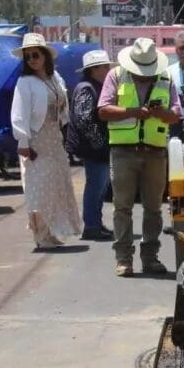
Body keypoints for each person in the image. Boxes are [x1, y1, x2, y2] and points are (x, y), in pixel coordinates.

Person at [97, 37, 181, 277]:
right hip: (123, 151)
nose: (143, 76)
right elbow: (103, 110)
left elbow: (176, 113)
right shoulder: (116, 75)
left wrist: (162, 114)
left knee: (153, 208)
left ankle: (150, 257)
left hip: (155, 151)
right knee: (122, 207)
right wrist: (134, 112)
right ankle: (123, 259)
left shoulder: (166, 78)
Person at [10, 33, 82, 249]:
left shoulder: (54, 78)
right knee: (38, 187)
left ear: (45, 56)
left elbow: (63, 106)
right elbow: (19, 114)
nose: (32, 59)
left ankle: (50, 231)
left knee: (56, 186)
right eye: (28, 56)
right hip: (36, 141)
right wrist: (23, 142)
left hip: (53, 138)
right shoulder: (25, 82)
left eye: (35, 54)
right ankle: (40, 235)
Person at [66, 49, 115, 241]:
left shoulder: (95, 86)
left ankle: (95, 223)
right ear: (94, 69)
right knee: (96, 186)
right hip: (92, 147)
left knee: (100, 186)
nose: (107, 70)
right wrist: (99, 143)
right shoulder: (87, 88)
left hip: (96, 146)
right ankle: (92, 225)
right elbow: (84, 119)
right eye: (104, 67)